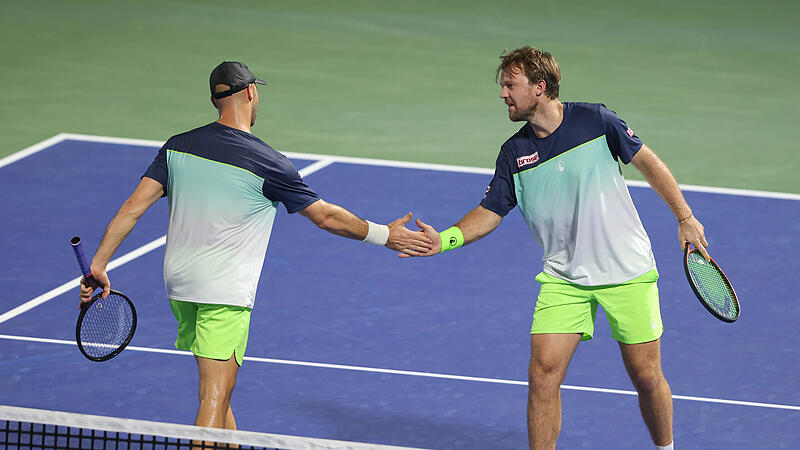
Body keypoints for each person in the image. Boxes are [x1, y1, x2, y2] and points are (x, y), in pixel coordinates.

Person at [78, 61, 433, 431]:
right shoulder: (268, 162)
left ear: (216, 98)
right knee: (213, 397)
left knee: (220, 393)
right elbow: (326, 216)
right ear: (250, 92)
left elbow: (131, 209)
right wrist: (384, 235)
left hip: (180, 288)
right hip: (223, 292)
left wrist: (99, 265)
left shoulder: (177, 146)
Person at [404, 47, 710, 450]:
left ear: (540, 87)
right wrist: (444, 240)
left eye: (510, 85)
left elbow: (648, 162)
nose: (503, 94)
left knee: (646, 375)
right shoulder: (514, 153)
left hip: (627, 273)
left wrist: (685, 217)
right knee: (543, 374)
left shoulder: (596, 120)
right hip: (564, 279)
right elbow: (490, 211)